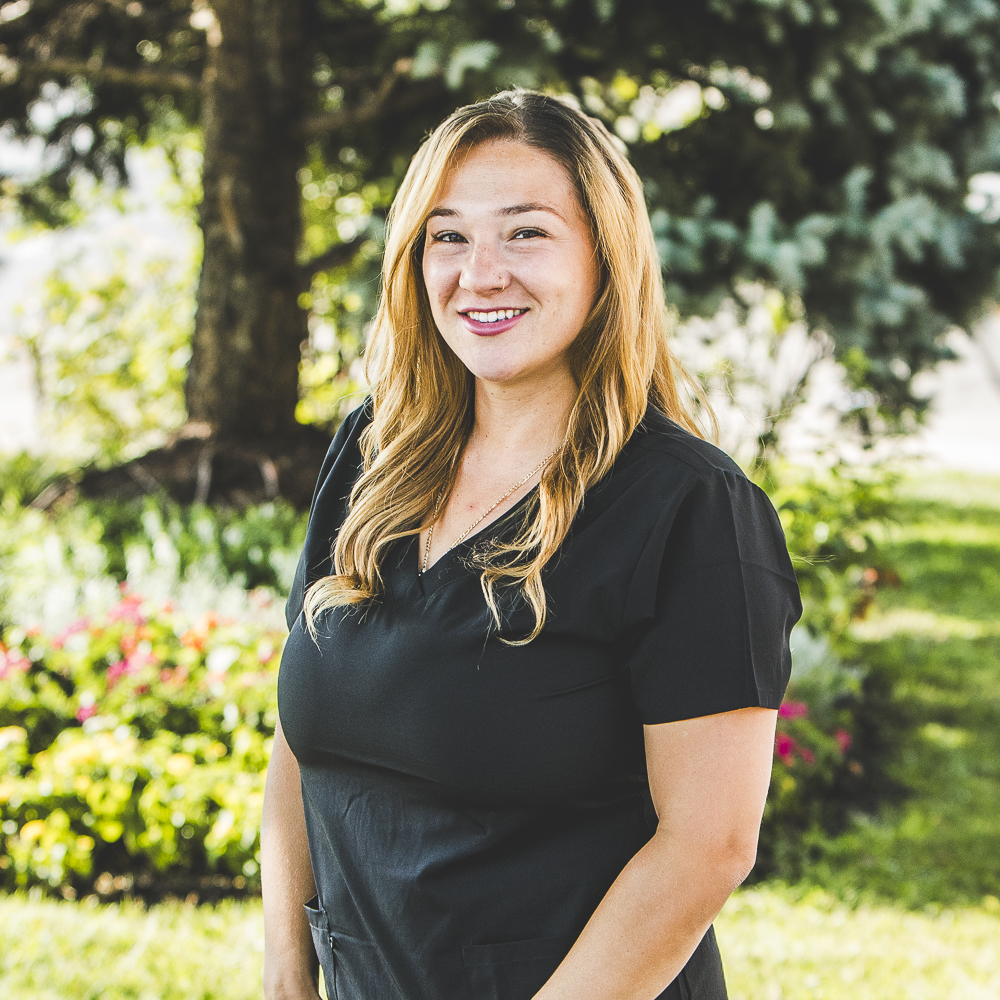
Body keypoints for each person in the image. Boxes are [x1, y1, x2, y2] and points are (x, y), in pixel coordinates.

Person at [261, 89, 802, 1000]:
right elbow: (300, 739)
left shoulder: (690, 509)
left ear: (606, 257)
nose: (481, 273)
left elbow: (706, 847)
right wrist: (287, 978)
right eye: (448, 235)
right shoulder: (373, 456)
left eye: (526, 233)